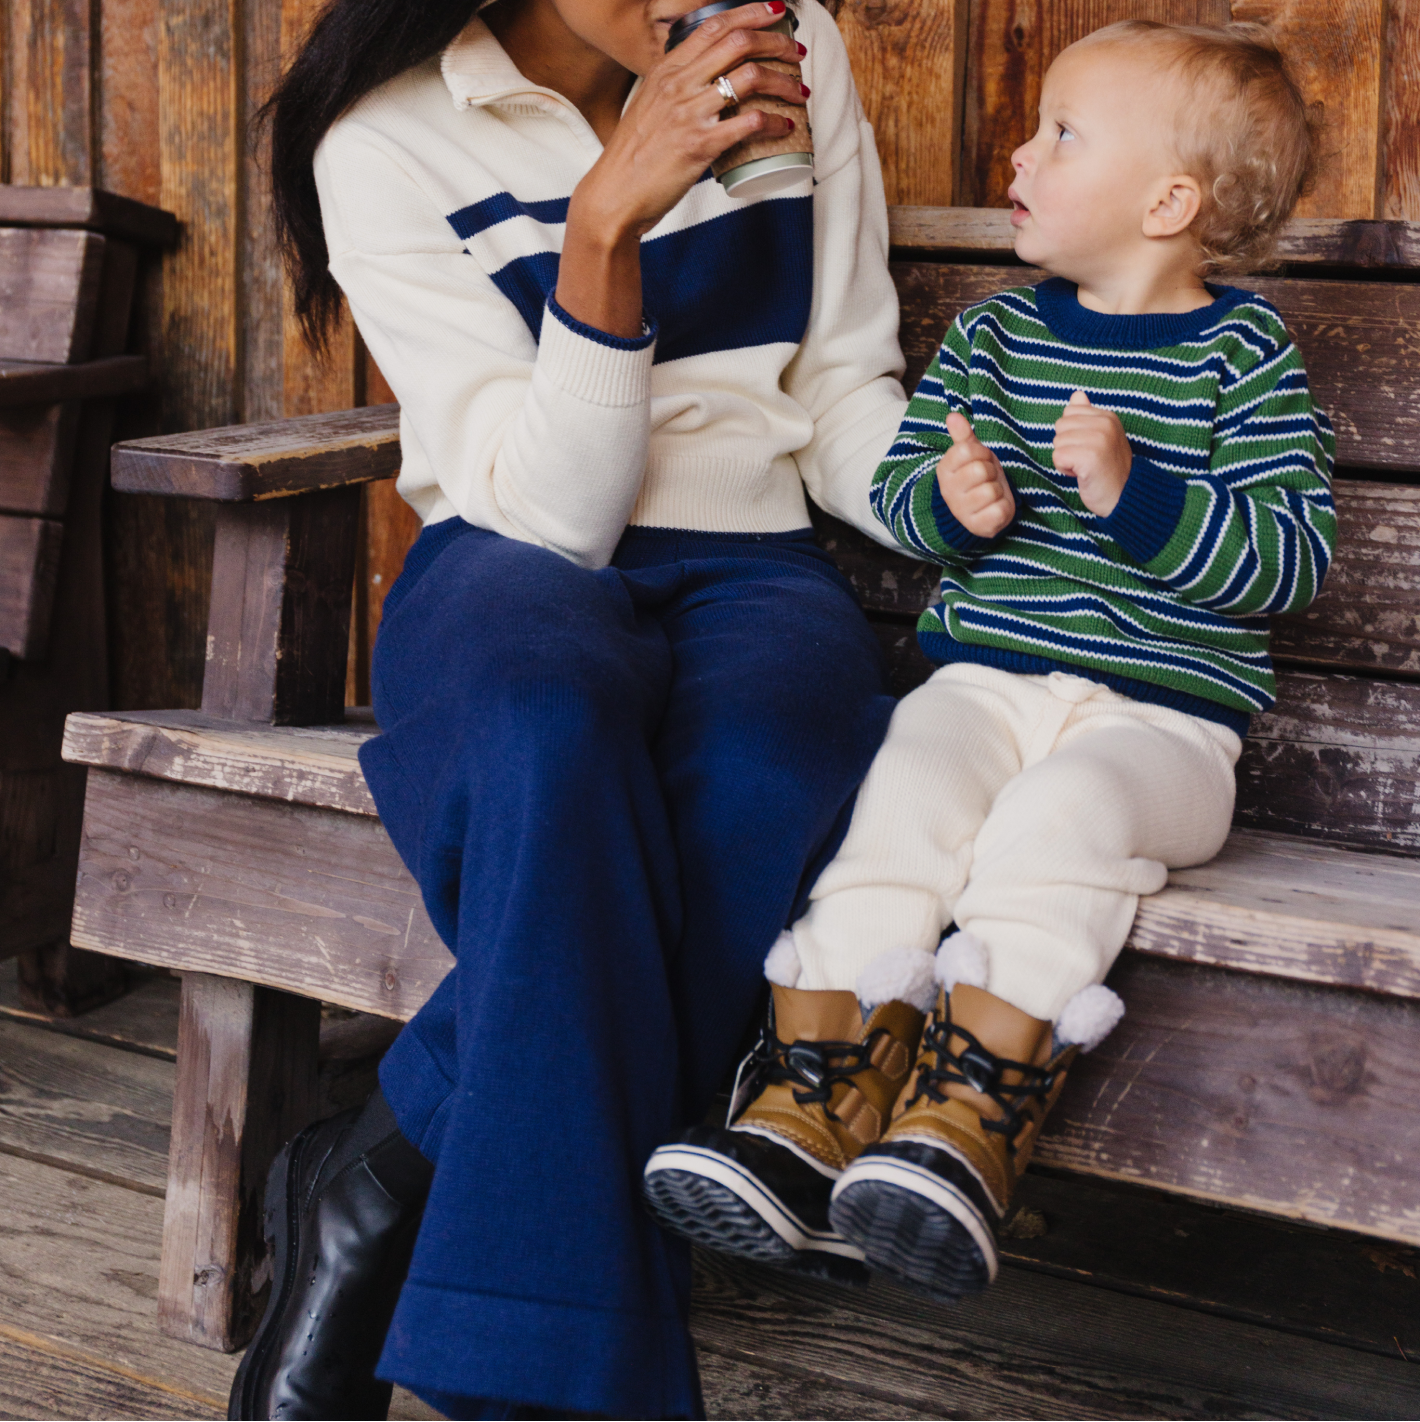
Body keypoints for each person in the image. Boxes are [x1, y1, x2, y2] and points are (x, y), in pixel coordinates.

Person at [226, 0, 910, 1418]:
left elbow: (841, 379)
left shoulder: (793, 48)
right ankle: (539, 1384)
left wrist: (966, 497)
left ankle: (381, 1169)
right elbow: (554, 511)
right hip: (512, 557)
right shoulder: (385, 137)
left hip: (759, 563)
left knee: (768, 774)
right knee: (550, 729)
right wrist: (604, 225)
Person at [645, 19, 1336, 1302]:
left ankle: (966, 1127)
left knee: (1060, 816)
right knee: (903, 792)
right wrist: (951, 507)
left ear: (1166, 201)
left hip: (1164, 737)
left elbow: (1285, 565)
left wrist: (1134, 495)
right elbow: (904, 489)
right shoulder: (1001, 343)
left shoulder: (1245, 361)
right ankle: (810, 1108)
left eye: (1061, 134)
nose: (1019, 152)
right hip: (984, 688)